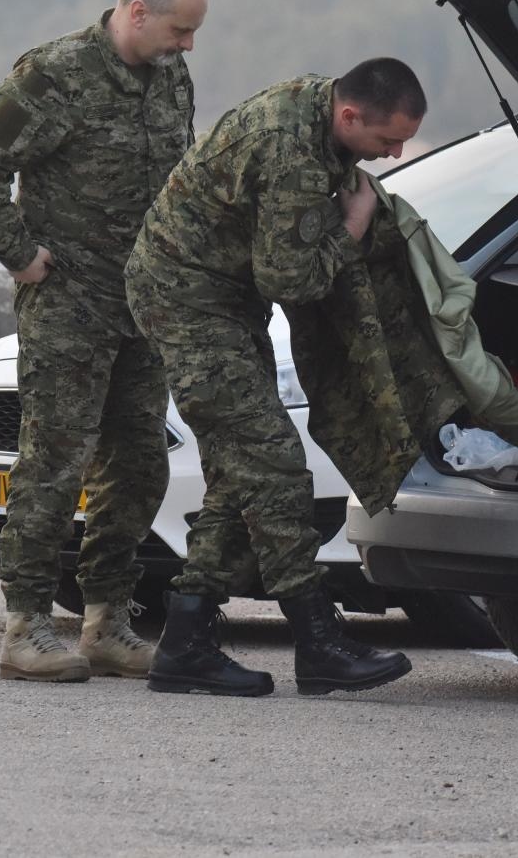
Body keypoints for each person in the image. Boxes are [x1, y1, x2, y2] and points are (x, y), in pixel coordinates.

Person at [124, 59, 421, 697]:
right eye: (386, 140)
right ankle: (318, 642)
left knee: (241, 475)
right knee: (276, 464)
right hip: (187, 299)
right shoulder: (292, 153)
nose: (394, 154)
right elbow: (292, 280)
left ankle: (184, 645)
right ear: (349, 116)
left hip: (224, 301)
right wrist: (354, 227)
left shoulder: (319, 123)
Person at [0, 0, 206, 682]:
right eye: (179, 29)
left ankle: (108, 620)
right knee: (54, 463)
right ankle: (27, 625)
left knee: (139, 465)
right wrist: (18, 251)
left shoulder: (169, 77)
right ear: (134, 12)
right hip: (70, 302)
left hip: (143, 304)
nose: (187, 46)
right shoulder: (55, 75)